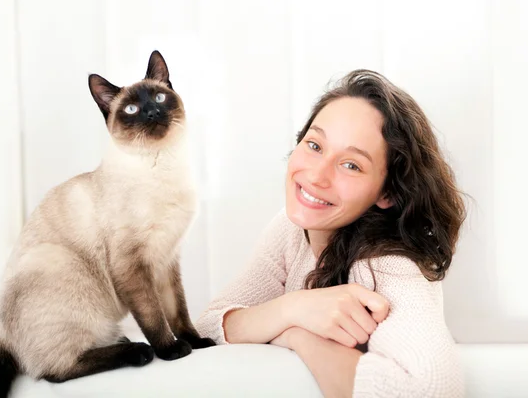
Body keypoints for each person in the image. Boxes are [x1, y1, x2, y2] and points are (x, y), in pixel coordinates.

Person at [195, 69, 466, 397]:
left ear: (387, 192)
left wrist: (299, 335)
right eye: (315, 144)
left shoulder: (388, 263)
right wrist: (293, 310)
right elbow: (208, 328)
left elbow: (434, 389)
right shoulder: (292, 228)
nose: (317, 175)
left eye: (351, 165)